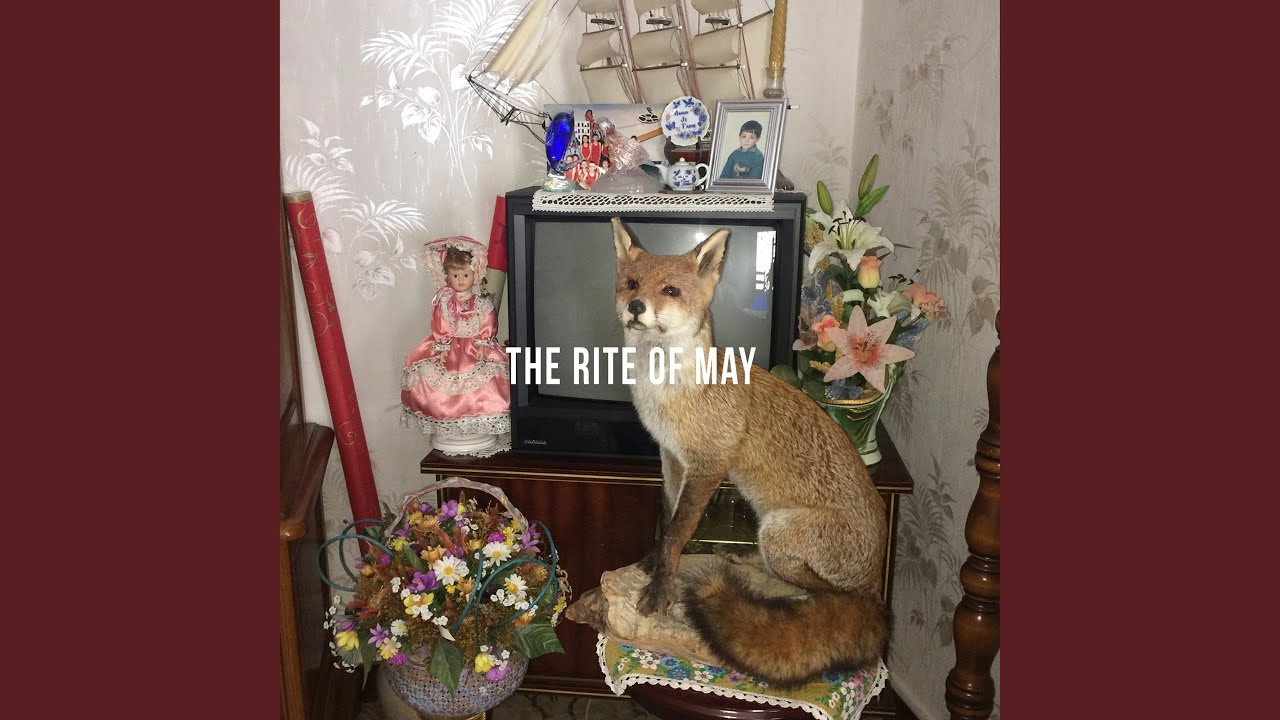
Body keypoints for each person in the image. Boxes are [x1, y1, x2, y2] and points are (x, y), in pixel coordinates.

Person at [401, 237, 510, 449]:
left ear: (475, 275)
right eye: (455, 275)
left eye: (465, 275)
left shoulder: (481, 303)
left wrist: (483, 342)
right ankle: (450, 424)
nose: (460, 280)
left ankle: (475, 423)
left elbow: (488, 322)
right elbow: (440, 323)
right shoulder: (443, 301)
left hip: (475, 346)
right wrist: (442, 345)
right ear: (447, 276)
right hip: (448, 346)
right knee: (431, 376)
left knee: (487, 381)